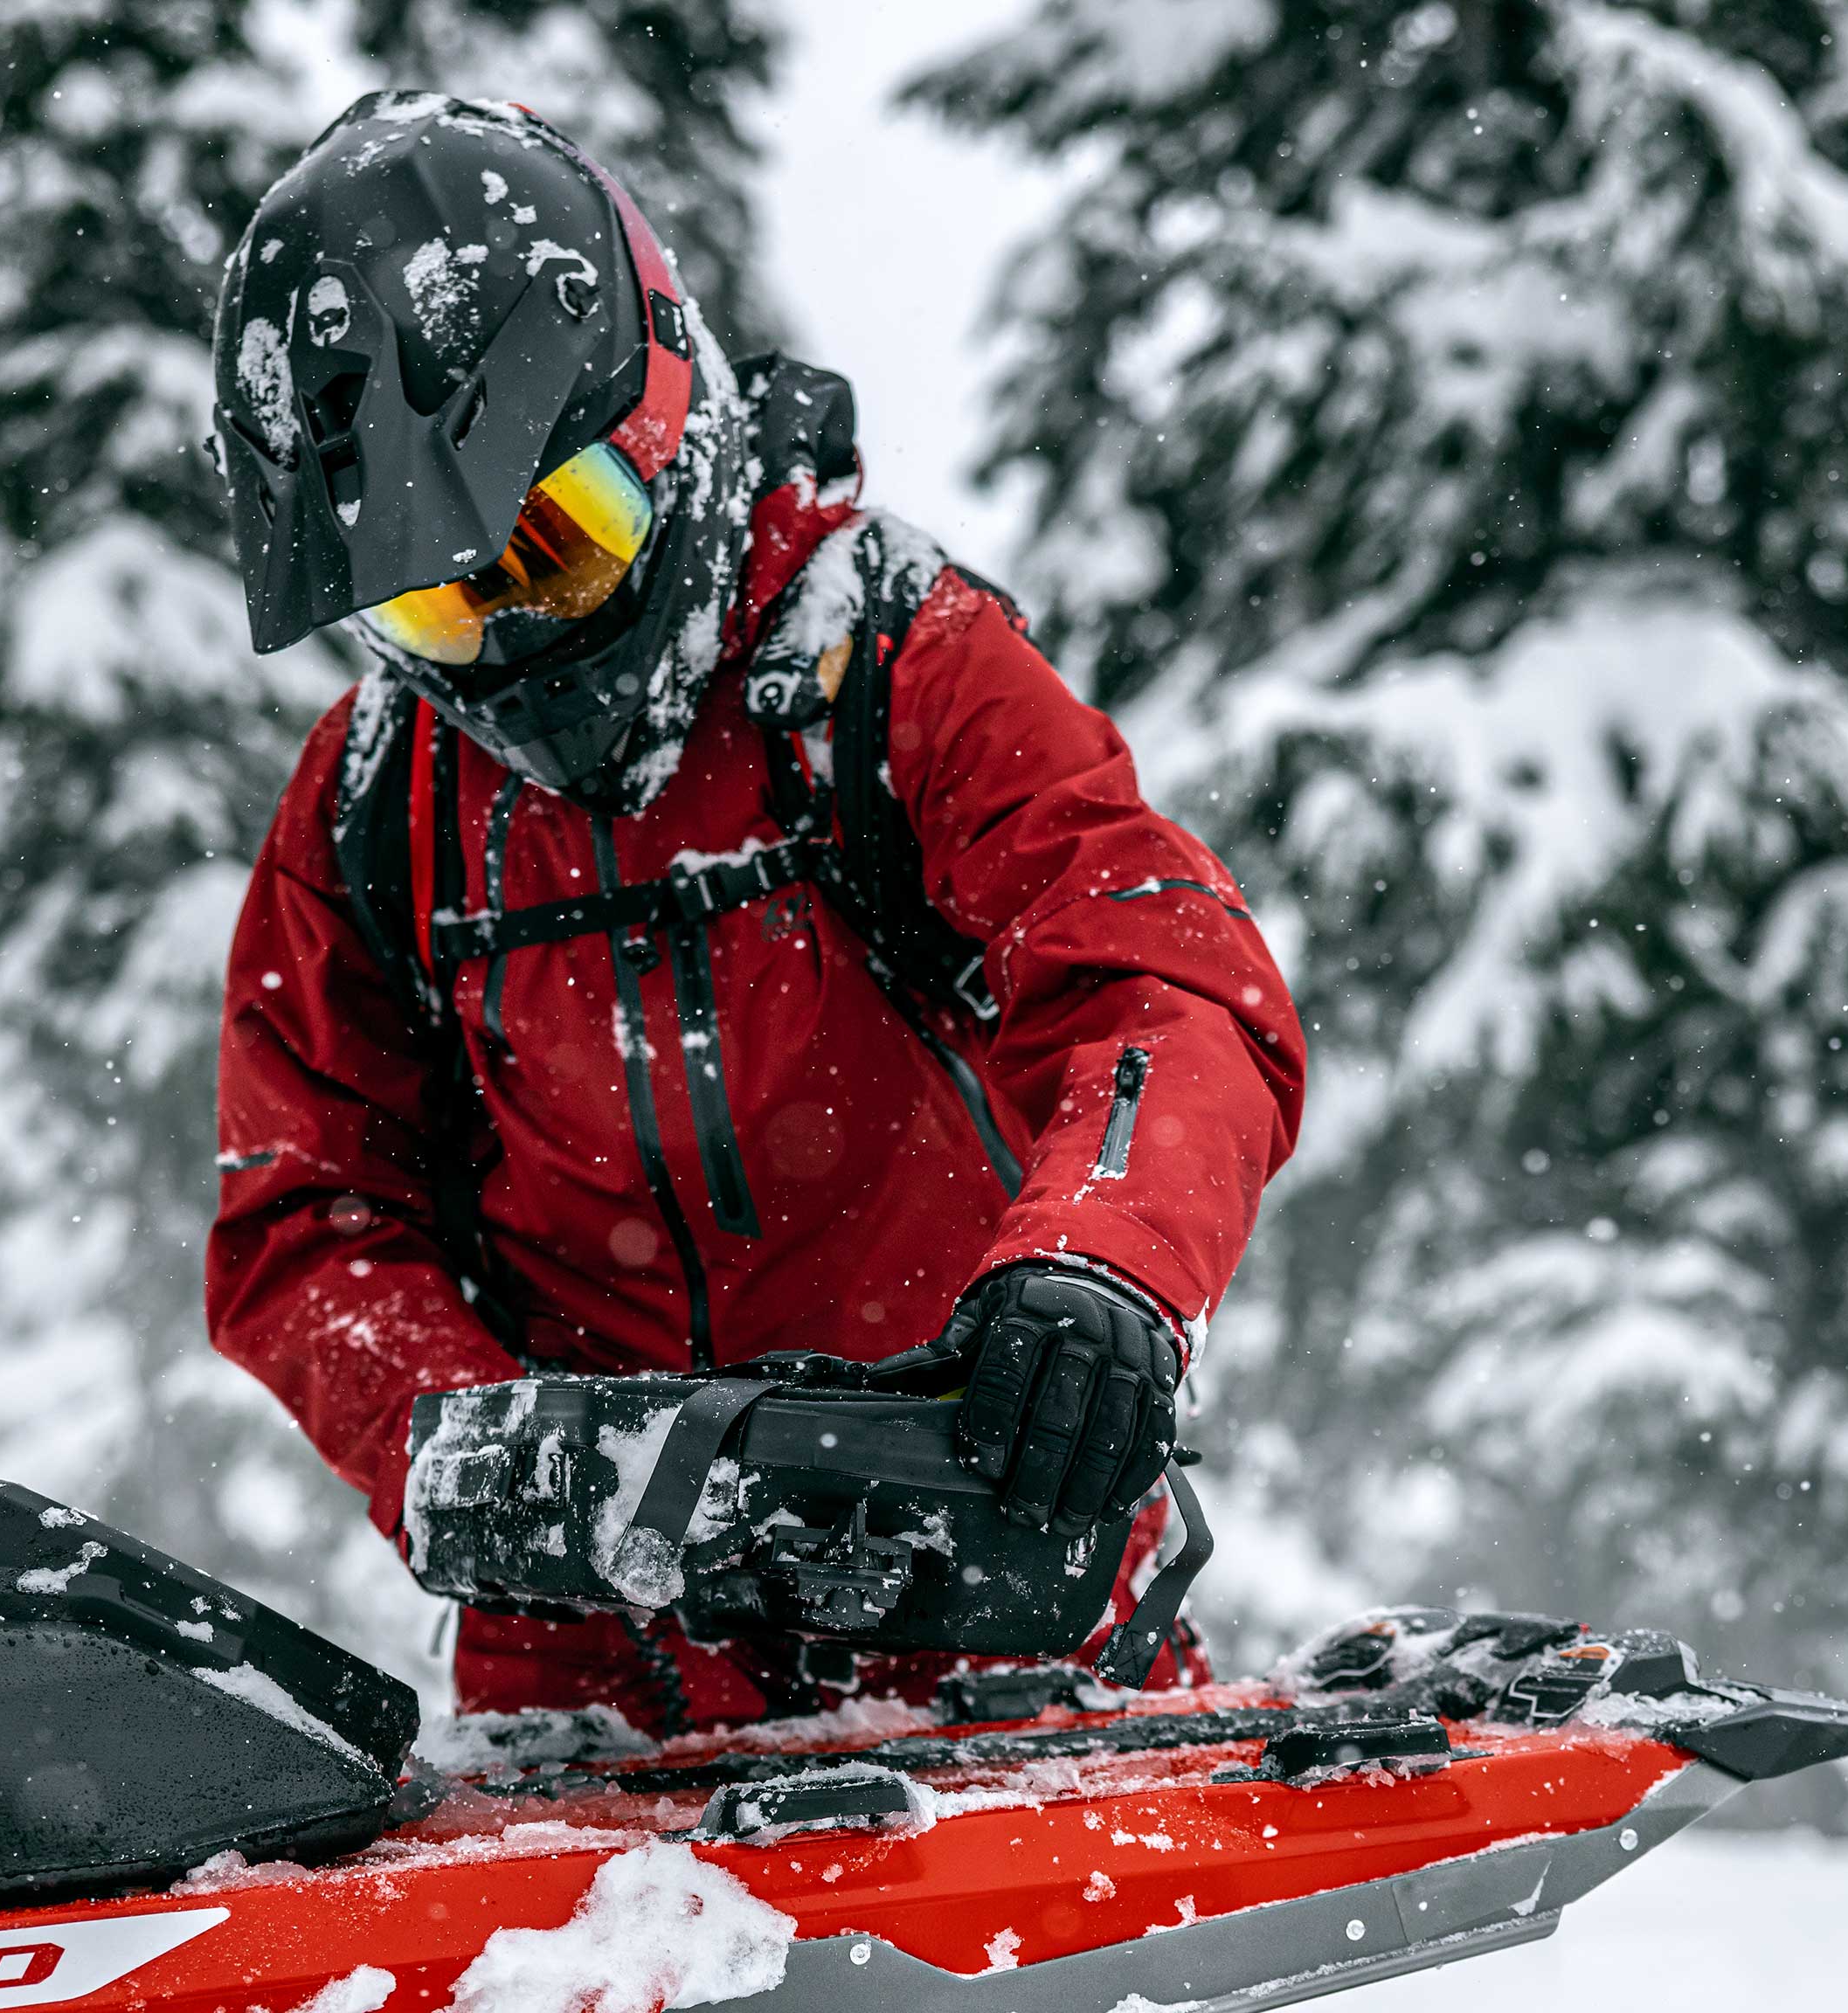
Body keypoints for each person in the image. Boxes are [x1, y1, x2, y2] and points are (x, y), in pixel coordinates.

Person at [201, 93, 1305, 1730]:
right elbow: (304, 1214)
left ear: (669, 423)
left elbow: (1166, 983)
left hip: (994, 1584)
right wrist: (478, 1446)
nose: (519, 646)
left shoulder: (886, 664)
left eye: (565, 548)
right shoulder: (381, 798)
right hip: (591, 1672)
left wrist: (1104, 1262)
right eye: (444, 604)